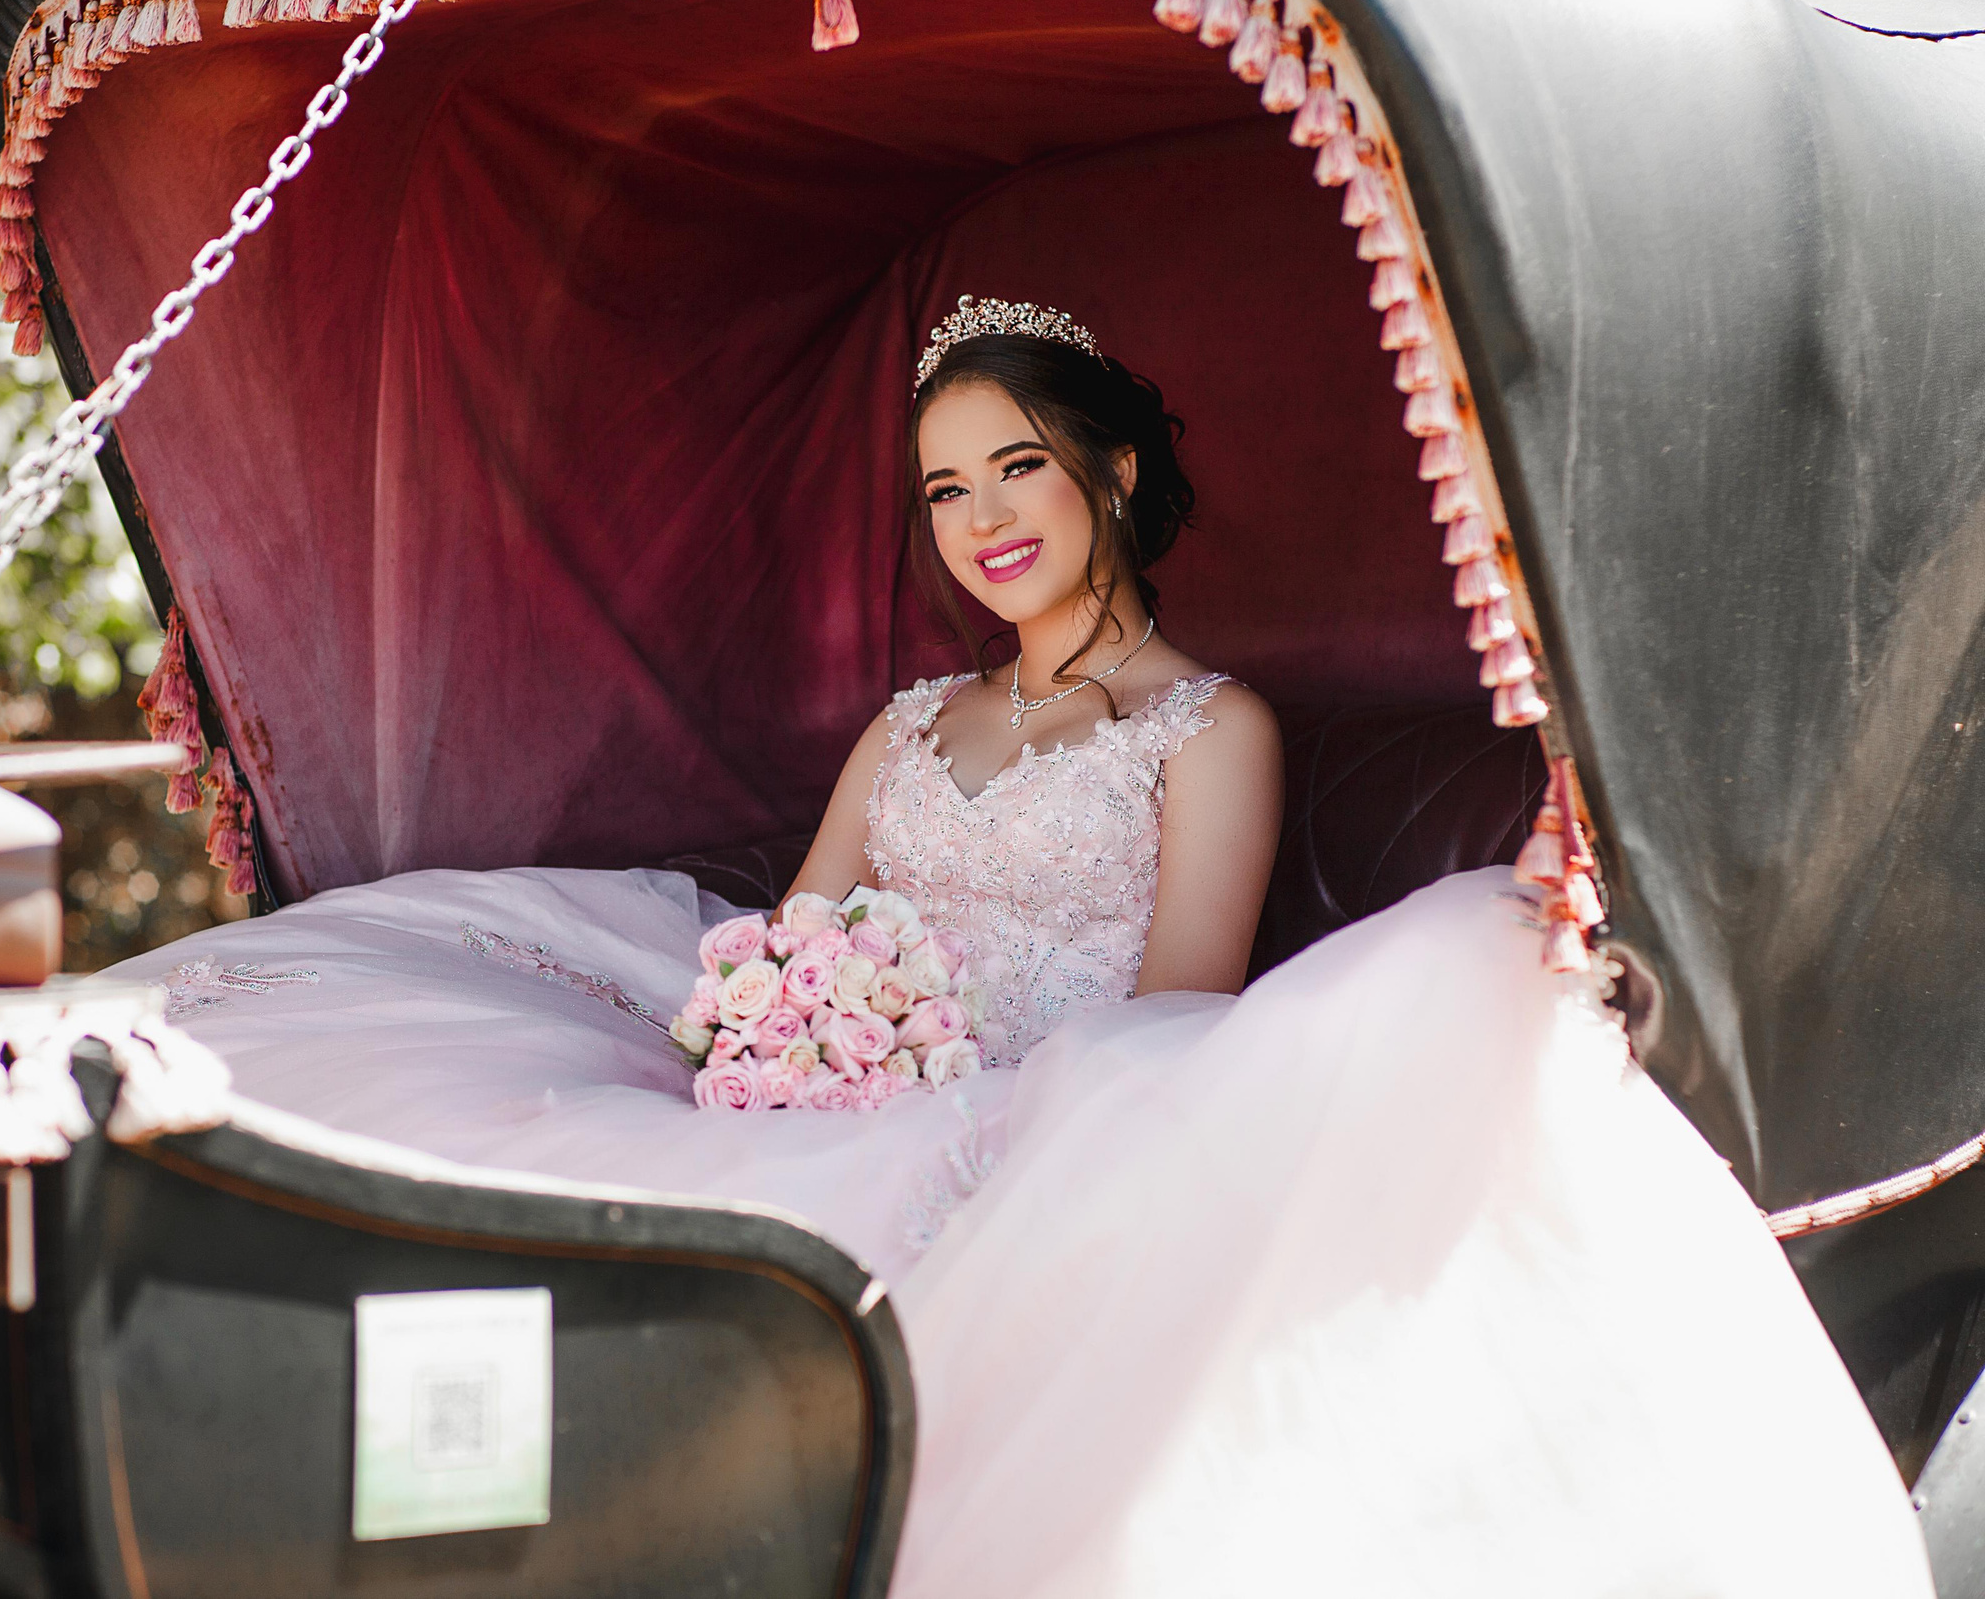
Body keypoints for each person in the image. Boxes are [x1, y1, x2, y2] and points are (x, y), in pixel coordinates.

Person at [110, 299, 1932, 1595]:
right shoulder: (908, 726)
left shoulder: (1211, 731)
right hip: (814, 1080)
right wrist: (788, 1026)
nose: (980, 521)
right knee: (412, 1112)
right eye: (941, 491)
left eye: (1017, 470)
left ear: (1115, 475)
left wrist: (934, 1076)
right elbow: (792, 930)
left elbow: (1180, 1014)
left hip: (1048, 1103)